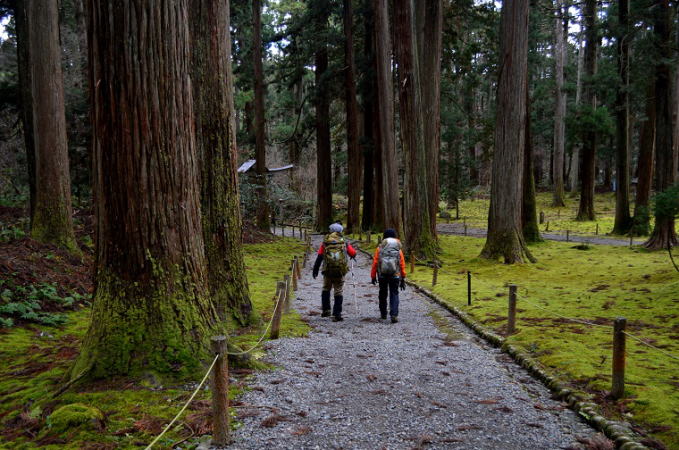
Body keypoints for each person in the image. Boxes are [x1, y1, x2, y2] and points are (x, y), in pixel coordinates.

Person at [312, 222, 357, 321]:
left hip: (327, 270)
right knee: (338, 290)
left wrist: (315, 270)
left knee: (326, 288)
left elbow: (319, 257)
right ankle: (337, 314)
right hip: (340, 271)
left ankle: (326, 310)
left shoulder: (325, 242)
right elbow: (353, 253)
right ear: (340, 231)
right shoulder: (343, 242)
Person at [370, 228, 406, 323]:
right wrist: (403, 277)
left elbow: (375, 263)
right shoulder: (398, 249)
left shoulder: (379, 248)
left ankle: (383, 314)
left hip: (382, 275)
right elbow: (402, 264)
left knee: (382, 293)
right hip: (395, 275)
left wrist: (373, 276)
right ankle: (394, 315)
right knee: (394, 293)